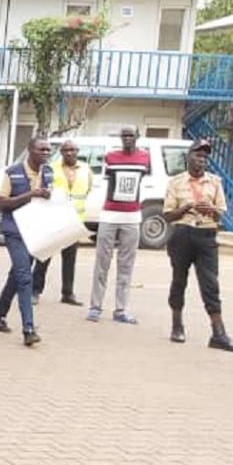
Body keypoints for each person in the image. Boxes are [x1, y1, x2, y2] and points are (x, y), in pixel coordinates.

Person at [165, 139, 233, 352]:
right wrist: (186, 207)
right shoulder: (176, 182)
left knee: (210, 284)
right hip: (182, 234)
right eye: (198, 155)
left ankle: (218, 333)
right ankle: (177, 325)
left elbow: (221, 213)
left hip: (206, 235)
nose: (202, 160)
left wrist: (211, 209)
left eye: (205, 157)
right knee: (179, 280)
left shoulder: (215, 182)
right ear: (189, 157)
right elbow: (168, 215)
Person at [0, 136, 52, 346]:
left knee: (17, 274)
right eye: (41, 150)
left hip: (36, 232)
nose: (45, 153)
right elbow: (1, 203)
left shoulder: (49, 173)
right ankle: (28, 328)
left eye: (48, 150)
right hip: (15, 231)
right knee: (25, 276)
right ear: (30, 150)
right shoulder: (13, 172)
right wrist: (30, 194)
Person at [88, 126, 150, 324]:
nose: (127, 138)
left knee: (126, 265)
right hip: (109, 215)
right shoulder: (110, 157)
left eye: (131, 135)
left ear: (137, 137)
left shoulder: (145, 158)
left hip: (132, 217)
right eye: (124, 135)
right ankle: (95, 307)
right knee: (102, 263)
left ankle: (121, 309)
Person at [32, 139, 90, 306]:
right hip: (55, 220)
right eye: (66, 150)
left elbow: (86, 190)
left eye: (73, 150)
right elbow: (42, 190)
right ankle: (35, 291)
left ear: (77, 151)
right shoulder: (50, 168)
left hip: (74, 221)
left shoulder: (86, 169)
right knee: (44, 257)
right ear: (61, 152)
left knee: (70, 259)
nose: (69, 153)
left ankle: (68, 293)